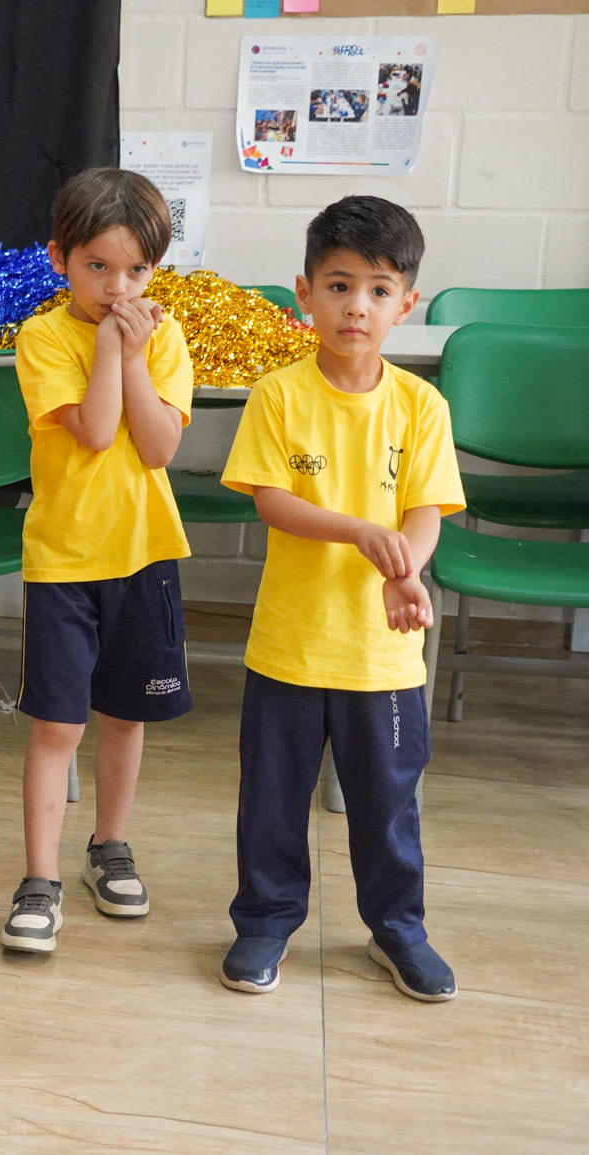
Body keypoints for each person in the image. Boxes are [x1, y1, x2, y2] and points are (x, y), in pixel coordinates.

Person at [218, 196, 464, 1002]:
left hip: (382, 657)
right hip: (289, 645)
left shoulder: (421, 405)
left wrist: (405, 568)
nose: (357, 305)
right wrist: (360, 532)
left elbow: (424, 512)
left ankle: (398, 930)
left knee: (388, 805)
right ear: (305, 293)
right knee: (272, 800)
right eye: (339, 285)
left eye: (378, 289)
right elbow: (271, 501)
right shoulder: (278, 394)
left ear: (406, 303)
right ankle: (265, 921)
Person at [0, 168, 194, 955]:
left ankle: (108, 845)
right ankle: (39, 878)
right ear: (60, 259)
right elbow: (94, 428)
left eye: (137, 270)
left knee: (125, 715)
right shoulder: (44, 337)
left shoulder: (165, 336)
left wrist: (134, 354)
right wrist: (113, 345)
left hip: (144, 555)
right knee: (57, 723)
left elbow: (157, 445)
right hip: (64, 561)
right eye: (98, 267)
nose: (119, 288)